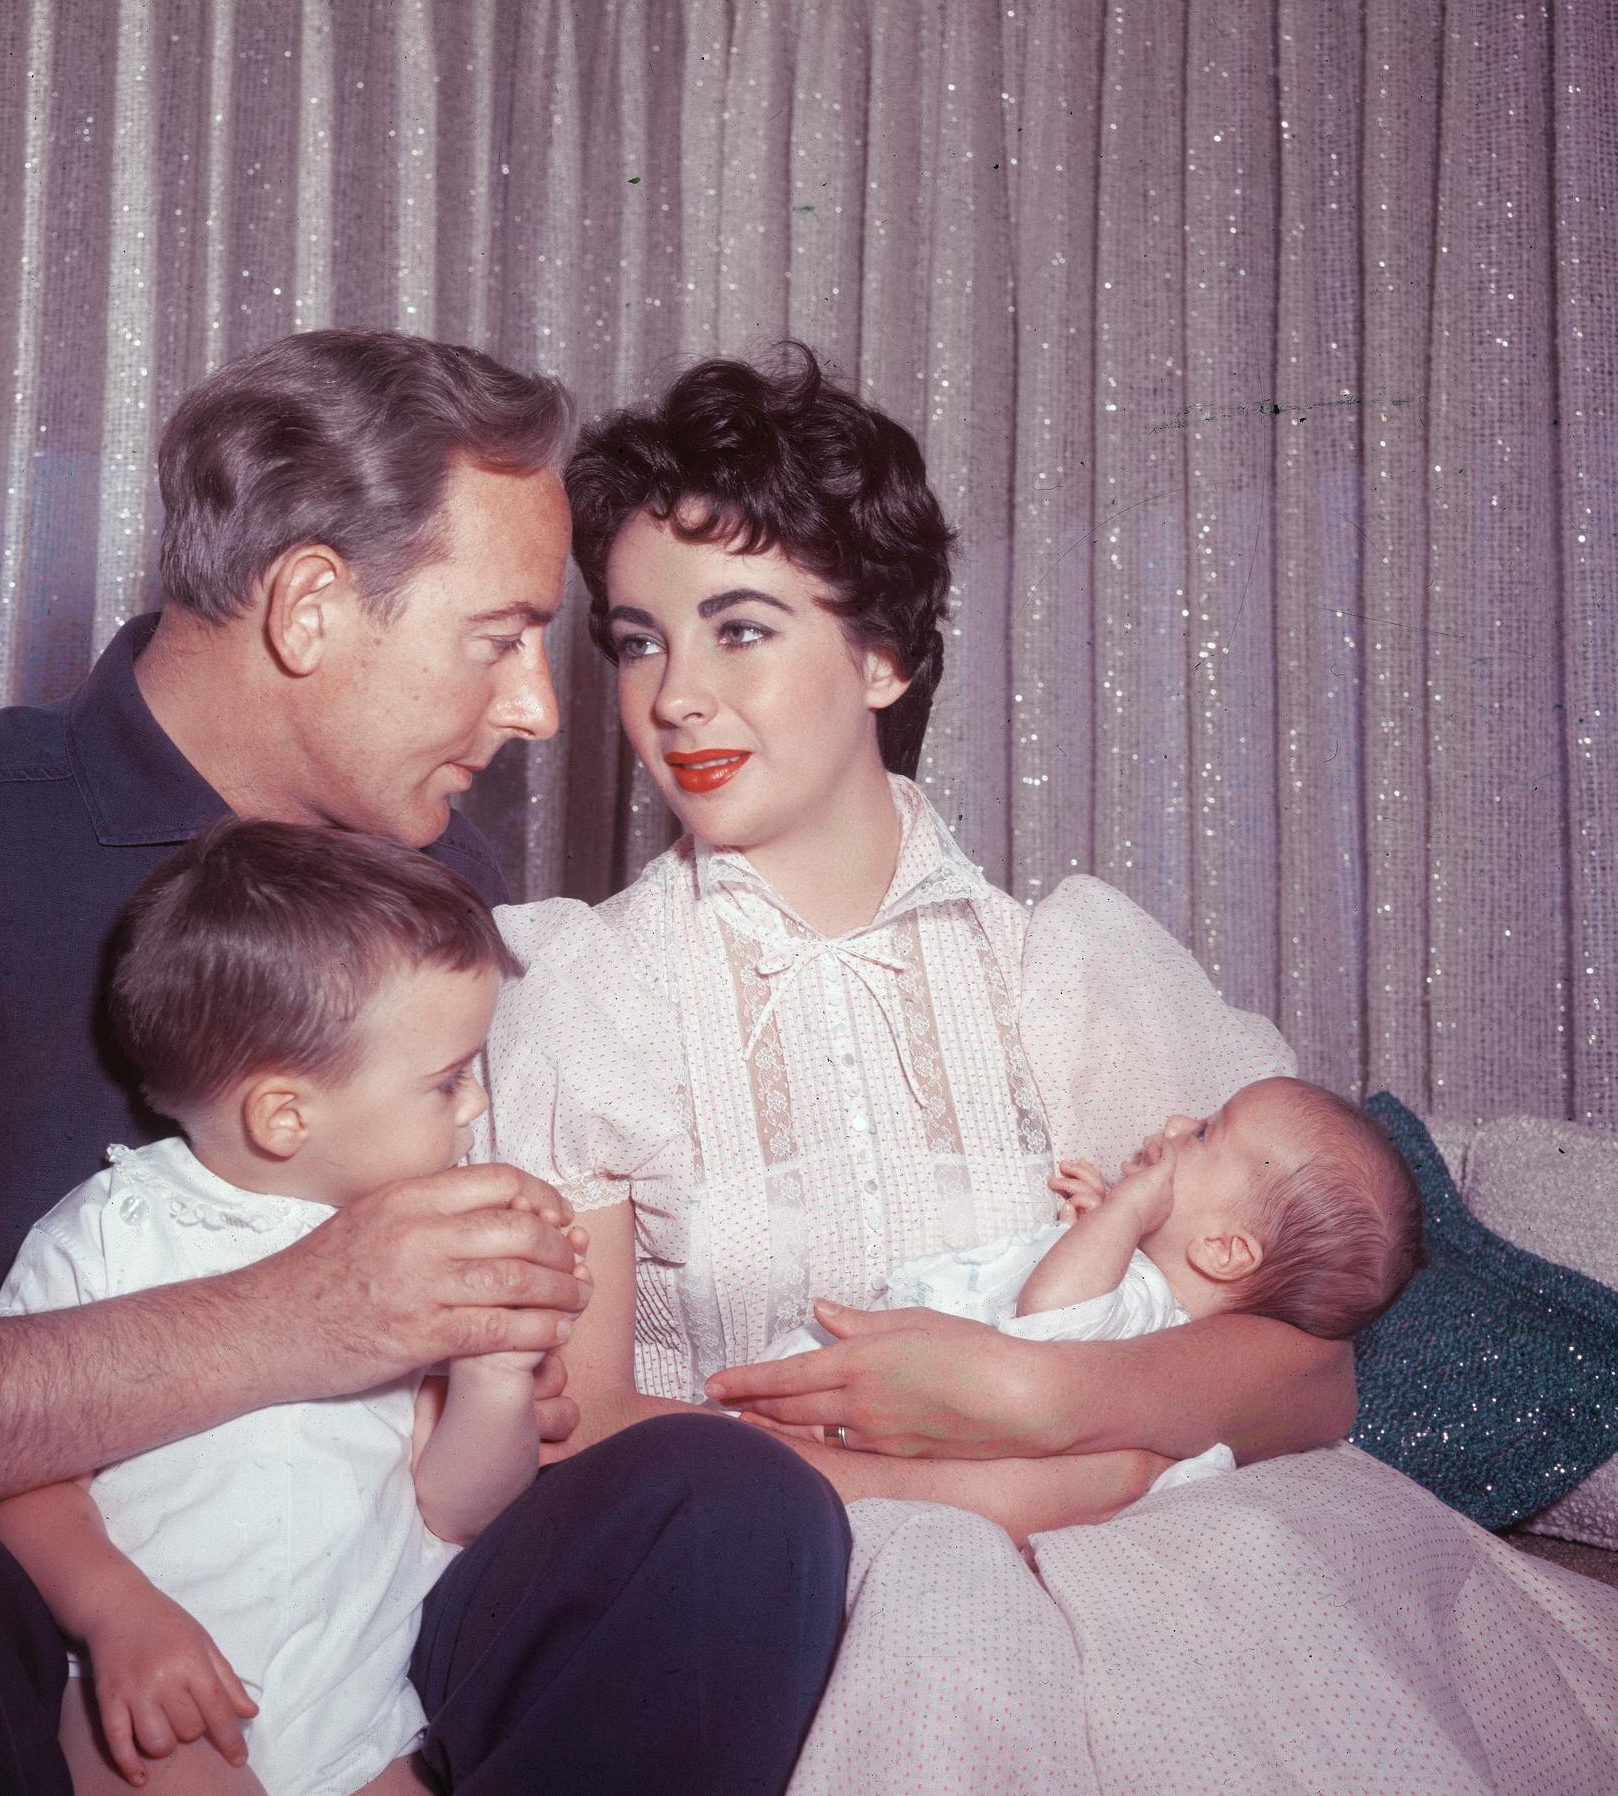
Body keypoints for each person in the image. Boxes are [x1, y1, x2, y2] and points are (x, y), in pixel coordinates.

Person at [0, 330, 850, 1796]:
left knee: (729, 1506)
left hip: (346, 1612)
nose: (540, 710)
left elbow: (449, 1438)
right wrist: (296, 1318)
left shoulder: (446, 890)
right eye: (497, 638)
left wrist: (494, 1365)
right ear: (308, 605)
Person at [488, 346, 1618, 1790]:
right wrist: (957, 1491)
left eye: (742, 629)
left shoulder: (1066, 968)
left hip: (1132, 1537)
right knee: (948, 1627)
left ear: (882, 653)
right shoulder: (589, 991)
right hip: (784, 1580)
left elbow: (1310, 1373)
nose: (677, 697)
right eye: (640, 639)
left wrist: (1033, 1404)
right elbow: (575, 1430)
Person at [0, 819, 576, 1795]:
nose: (474, 1107)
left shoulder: (415, 1250)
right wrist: (114, 1610)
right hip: (167, 1702)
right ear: (286, 1114)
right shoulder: (117, 1230)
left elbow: (454, 1506)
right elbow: (13, 1468)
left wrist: (497, 1370)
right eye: (445, 1082)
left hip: (358, 1718)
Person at [761, 1076, 1425, 1495]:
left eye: (1202, 1133)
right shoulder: (1144, 1292)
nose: (1172, 1124)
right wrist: (1104, 1221)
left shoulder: (1148, 1303)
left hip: (882, 1396)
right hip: (885, 1383)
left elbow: (1052, 1319)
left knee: (761, 1414)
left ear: (1224, 1250)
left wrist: (1124, 1210)